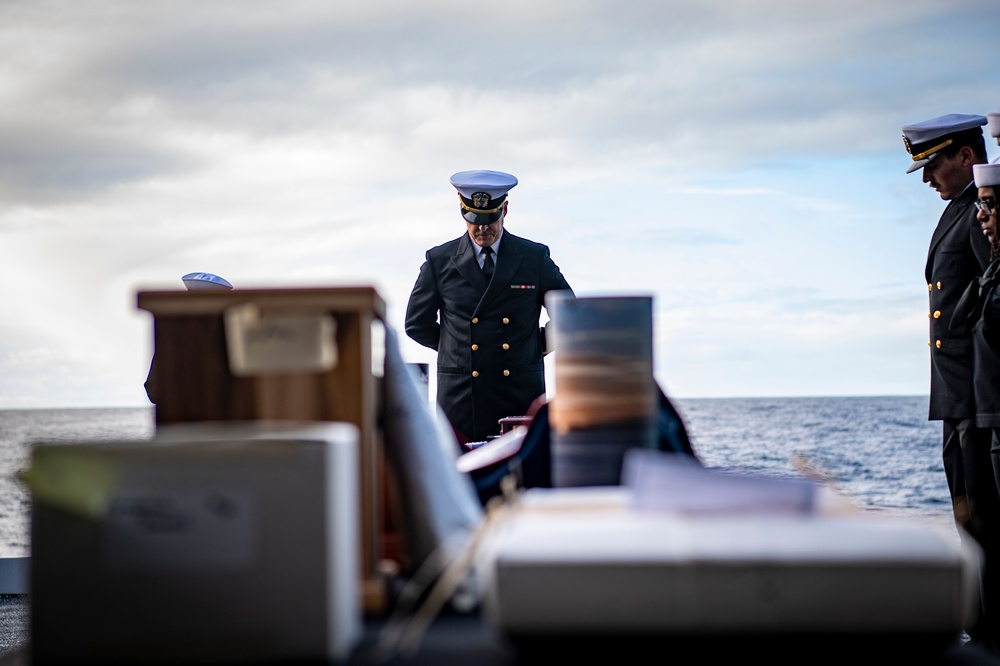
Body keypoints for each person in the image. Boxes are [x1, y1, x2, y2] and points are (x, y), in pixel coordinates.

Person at [903, 113, 1000, 652]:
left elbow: (995, 297)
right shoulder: (959, 212)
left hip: (978, 394)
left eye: (933, 163)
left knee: (984, 525)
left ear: (966, 156)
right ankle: (982, 631)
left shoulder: (983, 215)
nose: (927, 178)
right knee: (969, 521)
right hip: (956, 395)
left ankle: (989, 638)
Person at [404, 170, 573, 444]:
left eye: (490, 219)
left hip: (519, 392)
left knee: (522, 476)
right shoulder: (439, 261)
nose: (483, 228)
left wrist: (535, 346)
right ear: (462, 211)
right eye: (474, 220)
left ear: (504, 209)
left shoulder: (534, 258)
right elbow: (415, 324)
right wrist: (458, 348)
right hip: (462, 397)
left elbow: (569, 315)